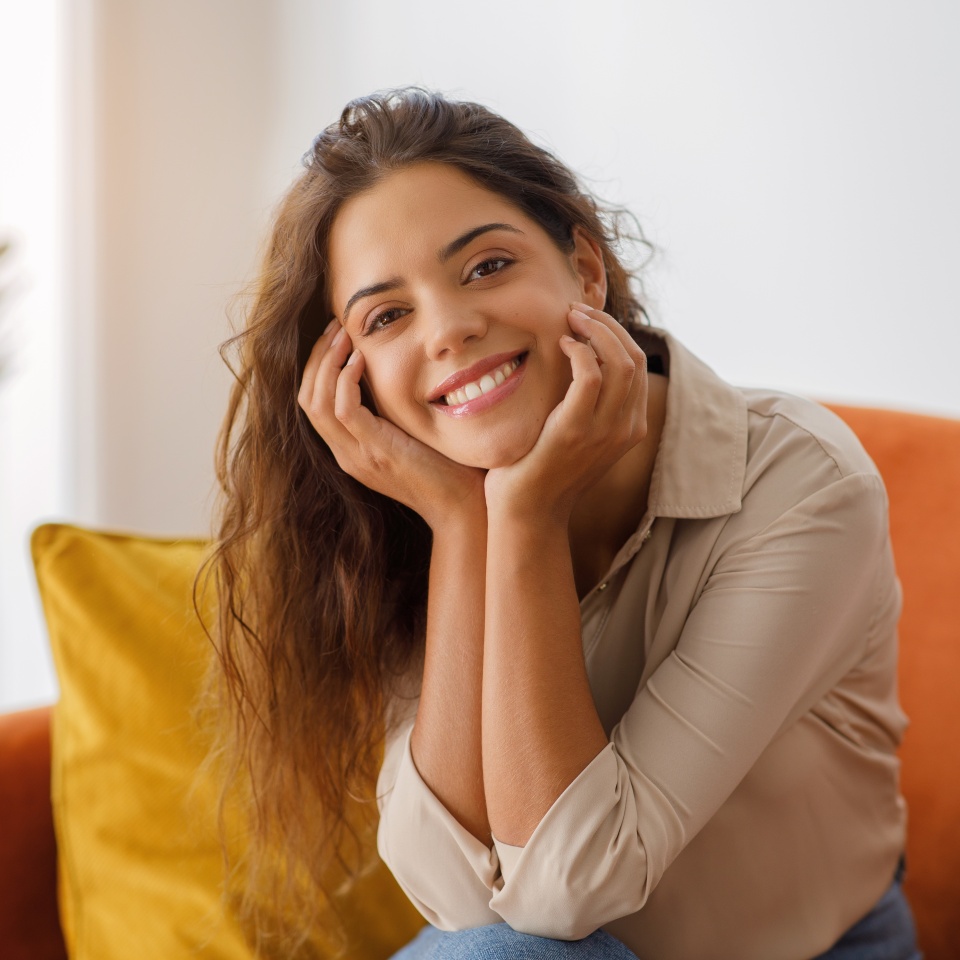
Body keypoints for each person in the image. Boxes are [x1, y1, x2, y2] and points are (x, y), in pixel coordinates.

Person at [208, 88, 921, 960]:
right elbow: (455, 891)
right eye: (387, 316)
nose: (452, 329)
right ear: (350, 375)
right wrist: (469, 532)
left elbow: (566, 887)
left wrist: (527, 518)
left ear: (584, 269)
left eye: (486, 267)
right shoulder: (412, 512)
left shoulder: (801, 481)